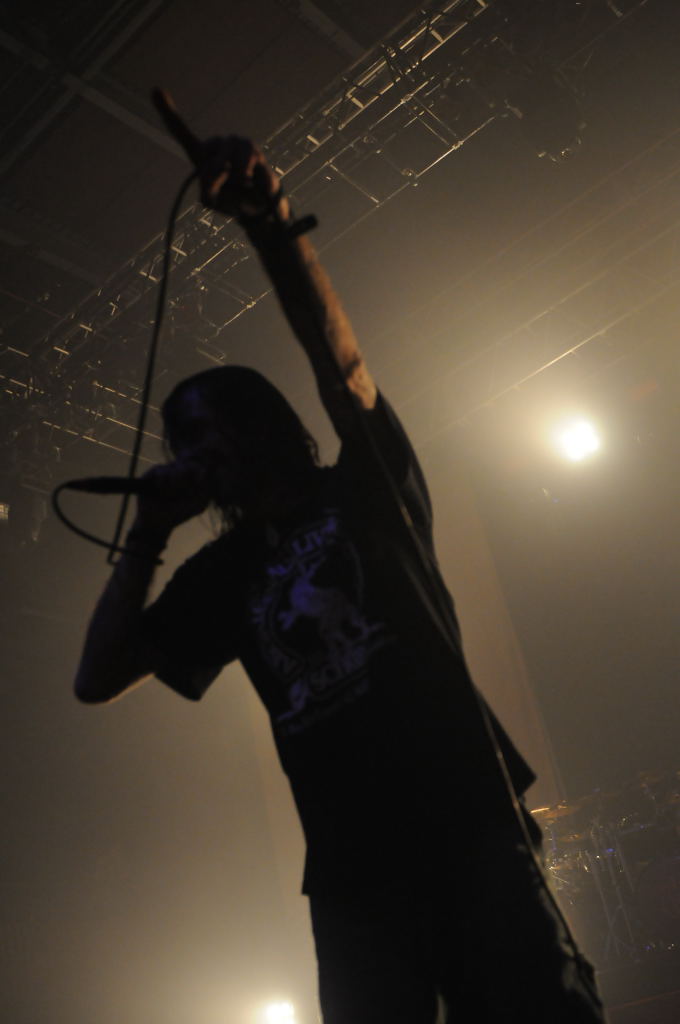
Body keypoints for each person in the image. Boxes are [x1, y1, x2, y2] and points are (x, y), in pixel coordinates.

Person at [74, 132, 606, 1023]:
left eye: (203, 430)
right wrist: (147, 534)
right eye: (179, 443)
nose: (191, 453)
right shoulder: (220, 573)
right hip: (353, 876)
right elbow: (96, 679)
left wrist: (270, 224)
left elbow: (343, 369)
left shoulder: (363, 489)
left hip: (468, 824)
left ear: (260, 423)